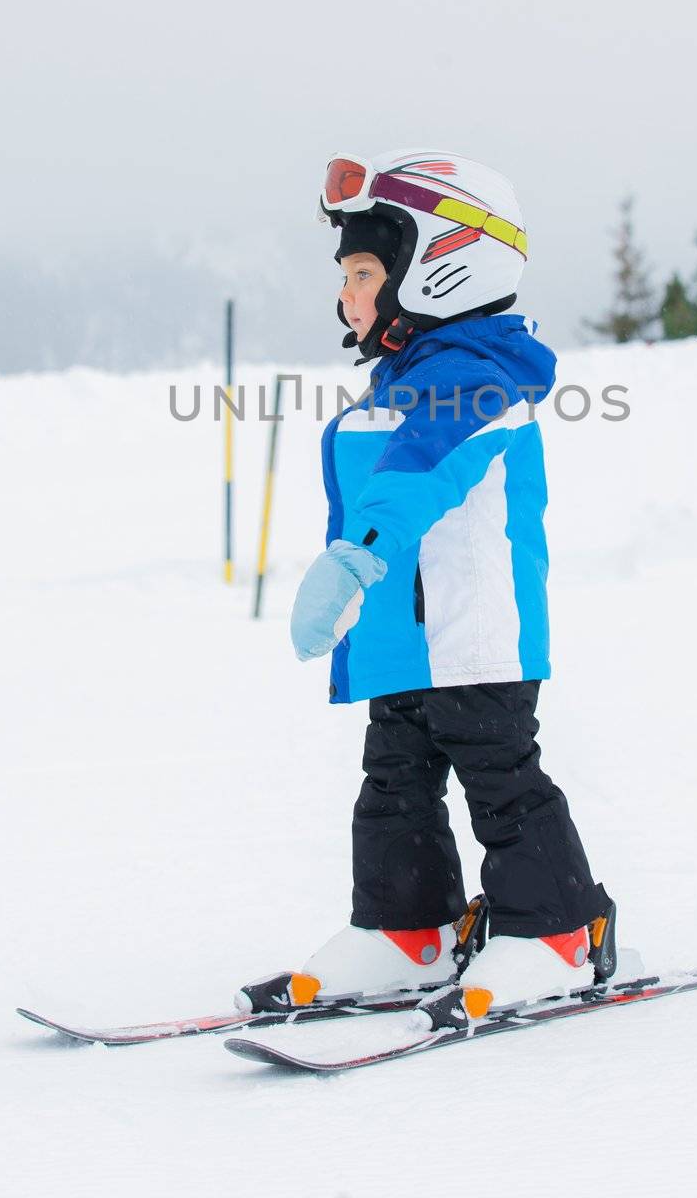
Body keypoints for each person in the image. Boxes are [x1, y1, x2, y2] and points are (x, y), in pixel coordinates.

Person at [236, 150, 615, 1023]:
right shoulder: (403, 378)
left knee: (498, 773)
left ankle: (558, 932)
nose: (348, 294)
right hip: (405, 636)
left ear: (442, 269)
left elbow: (417, 470)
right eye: (346, 275)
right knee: (393, 777)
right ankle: (407, 929)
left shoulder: (478, 375)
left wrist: (354, 558)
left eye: (365, 271)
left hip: (472, 628)